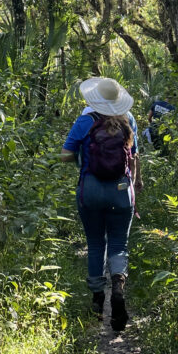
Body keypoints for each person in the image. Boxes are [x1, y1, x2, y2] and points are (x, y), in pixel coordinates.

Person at [60, 77, 141, 332]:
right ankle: (118, 286)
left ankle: (97, 301)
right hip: (121, 190)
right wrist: (134, 184)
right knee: (119, 243)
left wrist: (81, 162)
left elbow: (65, 154)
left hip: (91, 189)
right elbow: (134, 157)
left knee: (96, 244)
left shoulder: (86, 120)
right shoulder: (129, 120)